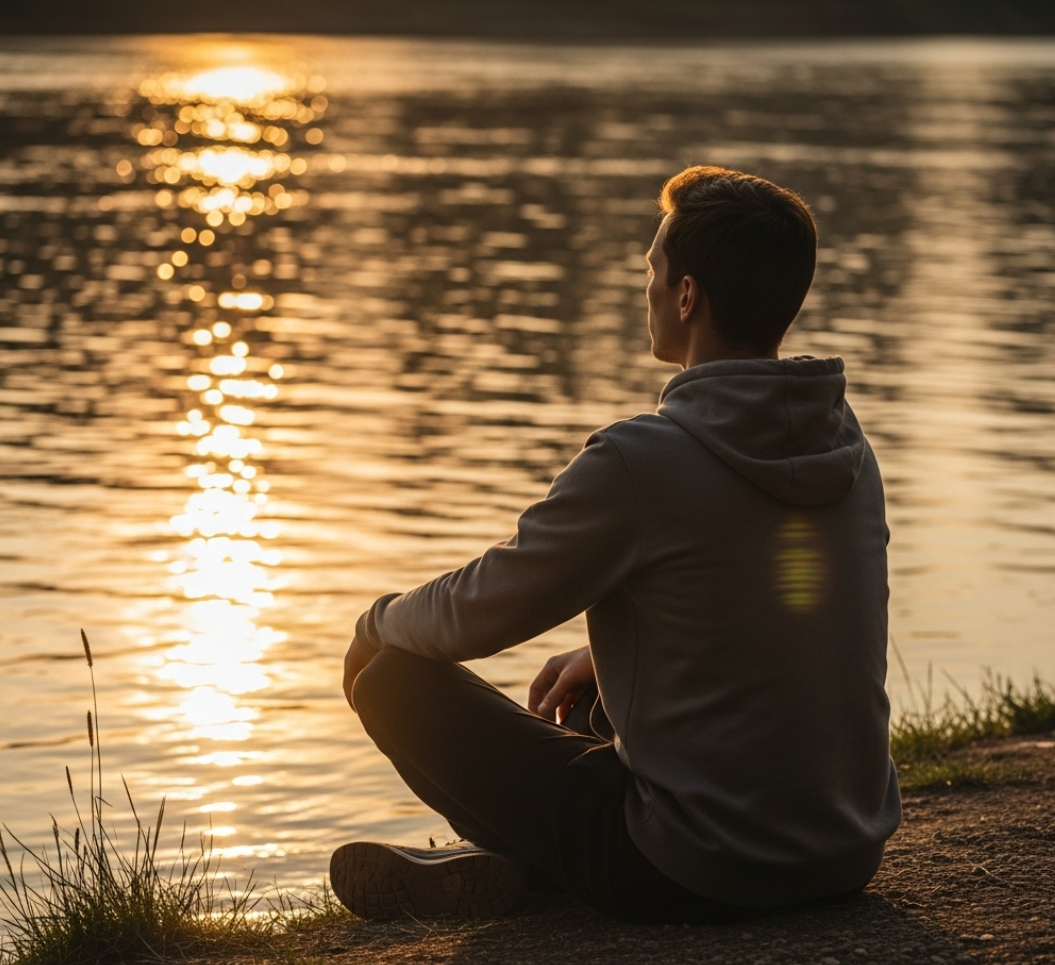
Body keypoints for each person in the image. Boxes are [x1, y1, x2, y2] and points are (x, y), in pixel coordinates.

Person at [333, 165, 902, 925]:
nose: (646, 289)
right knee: (597, 693)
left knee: (387, 670)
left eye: (651, 271)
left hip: (694, 871)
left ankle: (533, 867)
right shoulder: (845, 445)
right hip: (844, 850)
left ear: (686, 295)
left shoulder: (642, 461)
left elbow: (479, 610)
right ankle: (525, 863)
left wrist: (378, 617)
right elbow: (780, 604)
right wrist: (602, 657)